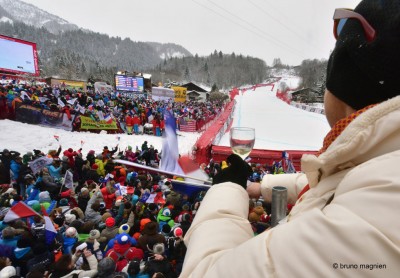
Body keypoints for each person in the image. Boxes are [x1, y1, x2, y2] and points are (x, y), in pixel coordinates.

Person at [181, 1, 400, 277]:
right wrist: (263, 186)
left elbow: (205, 272)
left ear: (346, 86)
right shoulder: (381, 166)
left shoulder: (367, 221)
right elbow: (347, 182)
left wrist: (227, 188)